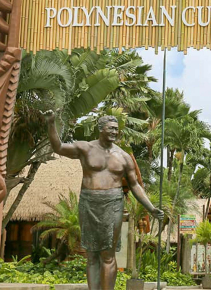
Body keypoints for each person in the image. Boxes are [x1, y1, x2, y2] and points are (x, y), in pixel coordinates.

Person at [45, 112, 164, 290]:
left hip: (113, 203)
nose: (114, 132)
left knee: (108, 254)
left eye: (117, 129)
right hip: (89, 202)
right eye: (111, 128)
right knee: (92, 254)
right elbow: (59, 147)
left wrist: (151, 208)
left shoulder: (124, 157)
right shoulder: (85, 148)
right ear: (101, 129)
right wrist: (50, 124)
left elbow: (135, 185)